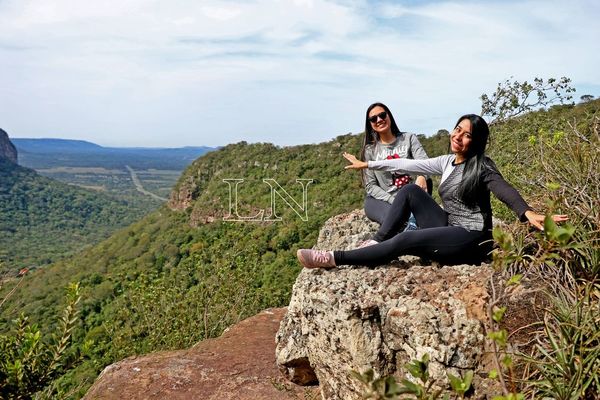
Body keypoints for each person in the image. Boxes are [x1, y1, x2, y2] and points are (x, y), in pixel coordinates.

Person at [297, 114, 568, 268]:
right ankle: (378, 241)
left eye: (467, 135)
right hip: (450, 225)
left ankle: (333, 258)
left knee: (405, 241)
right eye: (457, 129)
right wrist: (368, 163)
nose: (458, 136)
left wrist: (526, 212)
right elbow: (407, 163)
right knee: (412, 193)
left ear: (476, 142)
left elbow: (503, 189)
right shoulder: (446, 161)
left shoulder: (482, 166)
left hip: (471, 239)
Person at [361, 103, 430, 226]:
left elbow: (425, 163)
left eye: (382, 115)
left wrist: (421, 176)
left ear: (389, 116)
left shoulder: (409, 138)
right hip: (389, 202)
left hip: (413, 195)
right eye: (373, 119)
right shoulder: (370, 151)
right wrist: (393, 201)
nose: (379, 120)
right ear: (370, 124)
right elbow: (370, 185)